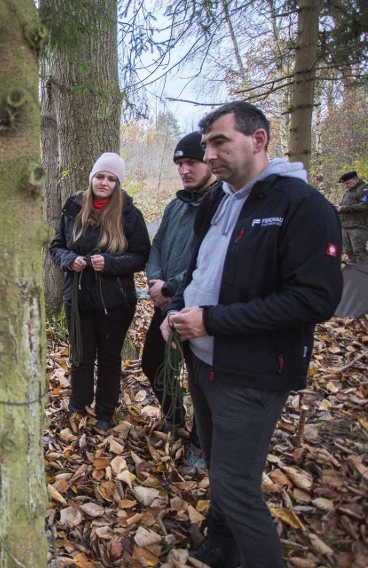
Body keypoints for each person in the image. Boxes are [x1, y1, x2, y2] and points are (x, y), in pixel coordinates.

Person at [161, 102, 343, 568]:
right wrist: (179, 309)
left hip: (253, 372)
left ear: (258, 140)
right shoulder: (218, 200)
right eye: (206, 145)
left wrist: (213, 321)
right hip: (202, 359)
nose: (210, 153)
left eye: (220, 142)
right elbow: (201, 271)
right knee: (219, 473)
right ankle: (222, 548)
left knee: (236, 487)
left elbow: (314, 300)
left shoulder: (303, 206)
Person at [50, 153, 151, 430]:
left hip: (115, 302)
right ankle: (79, 407)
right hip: (78, 298)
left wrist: (110, 263)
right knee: (80, 356)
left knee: (109, 359)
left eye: (111, 178)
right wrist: (69, 260)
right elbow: (56, 246)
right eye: (100, 176)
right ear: (92, 178)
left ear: (117, 183)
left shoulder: (129, 214)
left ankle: (105, 413)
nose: (104, 182)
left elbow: (142, 255)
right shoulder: (73, 208)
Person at [142, 131, 218, 474]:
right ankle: (175, 418)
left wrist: (171, 288)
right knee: (152, 363)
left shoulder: (219, 203)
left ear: (210, 162)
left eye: (192, 162)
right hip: (164, 304)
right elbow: (156, 247)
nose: (185, 170)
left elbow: (205, 260)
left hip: (197, 306)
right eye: (179, 164)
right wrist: (156, 282)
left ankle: (201, 445)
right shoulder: (176, 205)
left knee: (201, 380)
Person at [335, 171, 368, 263]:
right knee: (349, 253)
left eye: (348, 183)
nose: (346, 186)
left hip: (358, 227)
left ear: (356, 179)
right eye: (344, 184)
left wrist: (343, 209)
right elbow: (343, 206)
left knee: (359, 252)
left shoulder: (366, 189)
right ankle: (353, 274)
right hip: (345, 227)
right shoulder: (348, 192)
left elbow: (365, 205)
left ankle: (363, 274)